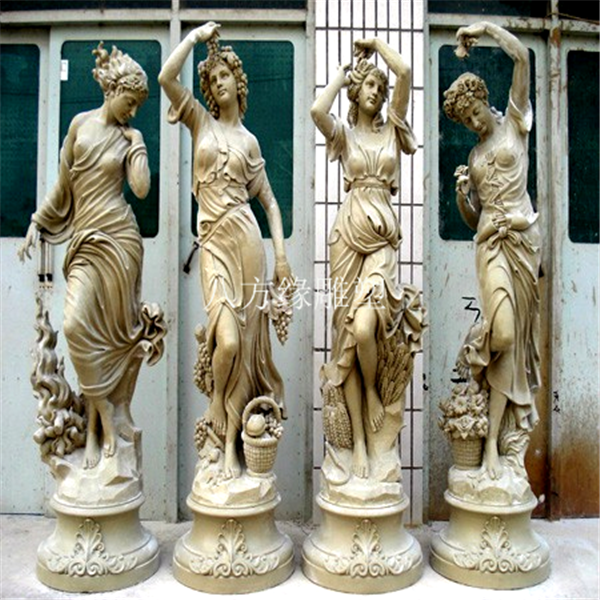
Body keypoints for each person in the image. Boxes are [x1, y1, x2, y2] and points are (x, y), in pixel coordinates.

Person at [19, 42, 165, 469]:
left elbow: (141, 189)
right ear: (112, 89)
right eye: (130, 102)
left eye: (138, 106)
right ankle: (101, 421)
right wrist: (38, 222)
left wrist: (138, 144)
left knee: (117, 340)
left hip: (120, 244)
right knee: (75, 325)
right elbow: (64, 186)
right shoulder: (79, 126)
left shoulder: (128, 137)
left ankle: (104, 429)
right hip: (84, 244)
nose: (132, 111)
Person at [158, 23, 292, 479]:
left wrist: (281, 257)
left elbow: (269, 203)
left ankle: (233, 446)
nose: (218, 83)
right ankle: (216, 402)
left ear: (238, 81)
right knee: (227, 340)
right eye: (212, 78)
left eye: (224, 75)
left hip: (247, 243)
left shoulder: (249, 142)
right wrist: (194, 38)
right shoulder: (199, 121)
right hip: (214, 244)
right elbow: (166, 78)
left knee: (247, 350)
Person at [311, 39, 417, 478]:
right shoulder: (344, 135)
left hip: (381, 244)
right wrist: (342, 75)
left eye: (379, 86)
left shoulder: (393, 128)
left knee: (365, 326)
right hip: (346, 240)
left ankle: (373, 392)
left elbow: (405, 72)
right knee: (346, 343)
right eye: (369, 85)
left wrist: (376, 47)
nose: (376, 90)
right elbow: (318, 111)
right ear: (357, 92)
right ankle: (357, 441)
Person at [443, 22, 541, 479]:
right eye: (466, 121)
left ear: (484, 100)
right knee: (501, 335)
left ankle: (494, 447)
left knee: (513, 346)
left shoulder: (516, 123)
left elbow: (521, 57)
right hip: (490, 246)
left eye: (475, 113)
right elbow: (473, 219)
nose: (474, 123)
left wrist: (485, 29)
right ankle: (476, 348)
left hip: (522, 242)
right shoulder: (476, 158)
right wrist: (464, 198)